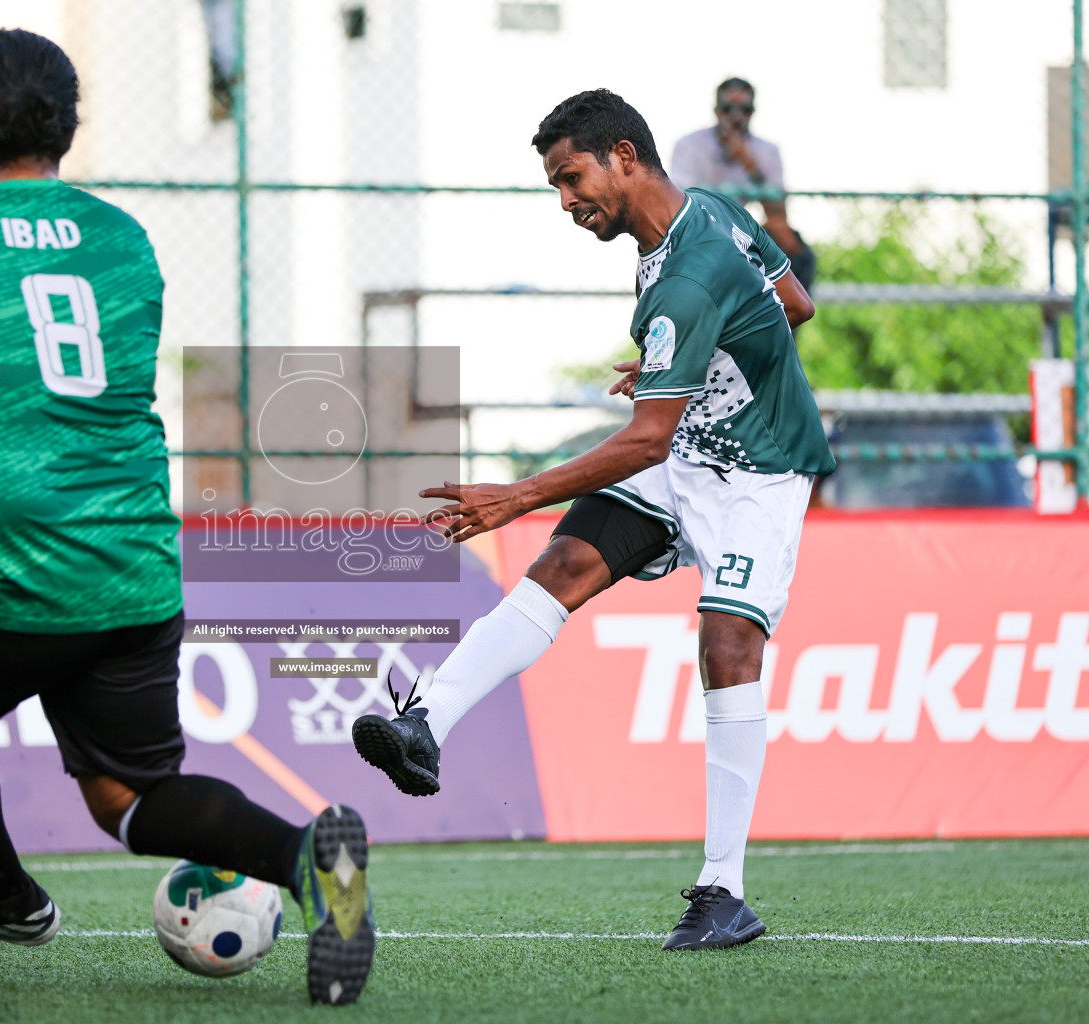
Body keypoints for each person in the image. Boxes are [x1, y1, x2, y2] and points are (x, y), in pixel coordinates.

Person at [0, 29, 373, 1006]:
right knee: (127, 798)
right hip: (133, 565)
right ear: (67, 133)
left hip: (4, 570)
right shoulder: (125, 241)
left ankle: (2, 893)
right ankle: (310, 860)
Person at [352, 89, 833, 951]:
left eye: (571, 178)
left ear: (623, 155)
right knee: (564, 566)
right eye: (554, 185)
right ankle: (425, 726)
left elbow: (646, 439)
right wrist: (681, 364)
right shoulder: (704, 217)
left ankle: (724, 890)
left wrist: (517, 495)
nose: (567, 201)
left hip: (757, 471)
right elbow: (793, 305)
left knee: (727, 647)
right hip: (688, 448)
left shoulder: (683, 275)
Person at [671, 78, 815, 288]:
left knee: (793, 245)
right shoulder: (690, 146)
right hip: (700, 226)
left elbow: (778, 214)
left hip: (742, 230)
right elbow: (679, 205)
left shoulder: (766, 151)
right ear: (717, 111)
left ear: (752, 111)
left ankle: (786, 316)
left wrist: (749, 164)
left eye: (744, 109)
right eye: (728, 108)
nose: (736, 117)